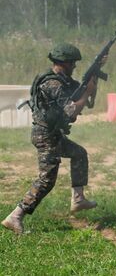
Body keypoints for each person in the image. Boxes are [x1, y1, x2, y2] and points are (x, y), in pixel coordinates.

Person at [2, 43, 104, 234]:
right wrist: (88, 91)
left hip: (53, 134)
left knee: (79, 154)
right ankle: (15, 216)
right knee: (47, 180)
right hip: (46, 136)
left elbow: (87, 102)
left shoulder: (63, 80)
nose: (74, 66)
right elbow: (72, 112)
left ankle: (78, 199)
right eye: (73, 63)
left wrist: (95, 77)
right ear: (64, 63)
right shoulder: (52, 84)